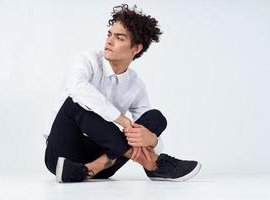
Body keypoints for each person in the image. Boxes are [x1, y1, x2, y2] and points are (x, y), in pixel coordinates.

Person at [44, 4, 201, 183]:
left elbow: (144, 128)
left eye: (119, 38)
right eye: (109, 34)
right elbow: (77, 88)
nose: (109, 41)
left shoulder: (135, 85)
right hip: (63, 158)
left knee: (156, 118)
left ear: (136, 49)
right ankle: (152, 165)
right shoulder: (87, 60)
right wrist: (123, 120)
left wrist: (153, 140)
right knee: (75, 103)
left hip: (106, 163)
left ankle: (90, 170)